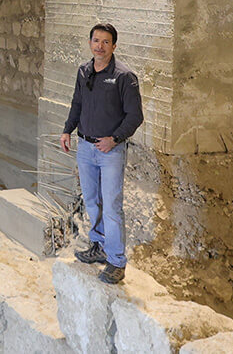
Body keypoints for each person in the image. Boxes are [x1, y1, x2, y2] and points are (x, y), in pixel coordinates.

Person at [59, 23, 143, 284]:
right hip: (85, 148)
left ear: (114, 46)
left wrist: (114, 139)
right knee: (93, 202)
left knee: (112, 208)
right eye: (96, 41)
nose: (100, 46)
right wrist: (67, 130)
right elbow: (77, 103)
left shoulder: (124, 77)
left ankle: (117, 261)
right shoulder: (84, 71)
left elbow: (135, 116)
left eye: (106, 42)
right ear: (90, 43)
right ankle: (99, 246)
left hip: (110, 152)